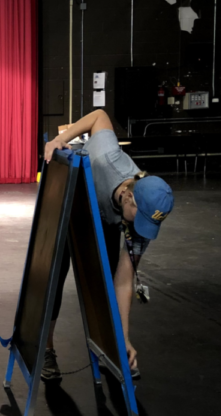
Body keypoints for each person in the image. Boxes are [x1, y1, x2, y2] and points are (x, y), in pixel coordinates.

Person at [41, 110, 174, 380]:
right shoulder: (107, 158)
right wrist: (59, 139)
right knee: (54, 275)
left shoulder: (145, 216)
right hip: (72, 201)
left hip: (107, 216)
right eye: (141, 220)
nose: (143, 231)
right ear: (129, 196)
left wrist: (123, 339)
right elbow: (100, 116)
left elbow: (124, 280)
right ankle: (46, 348)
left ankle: (110, 345)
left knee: (107, 277)